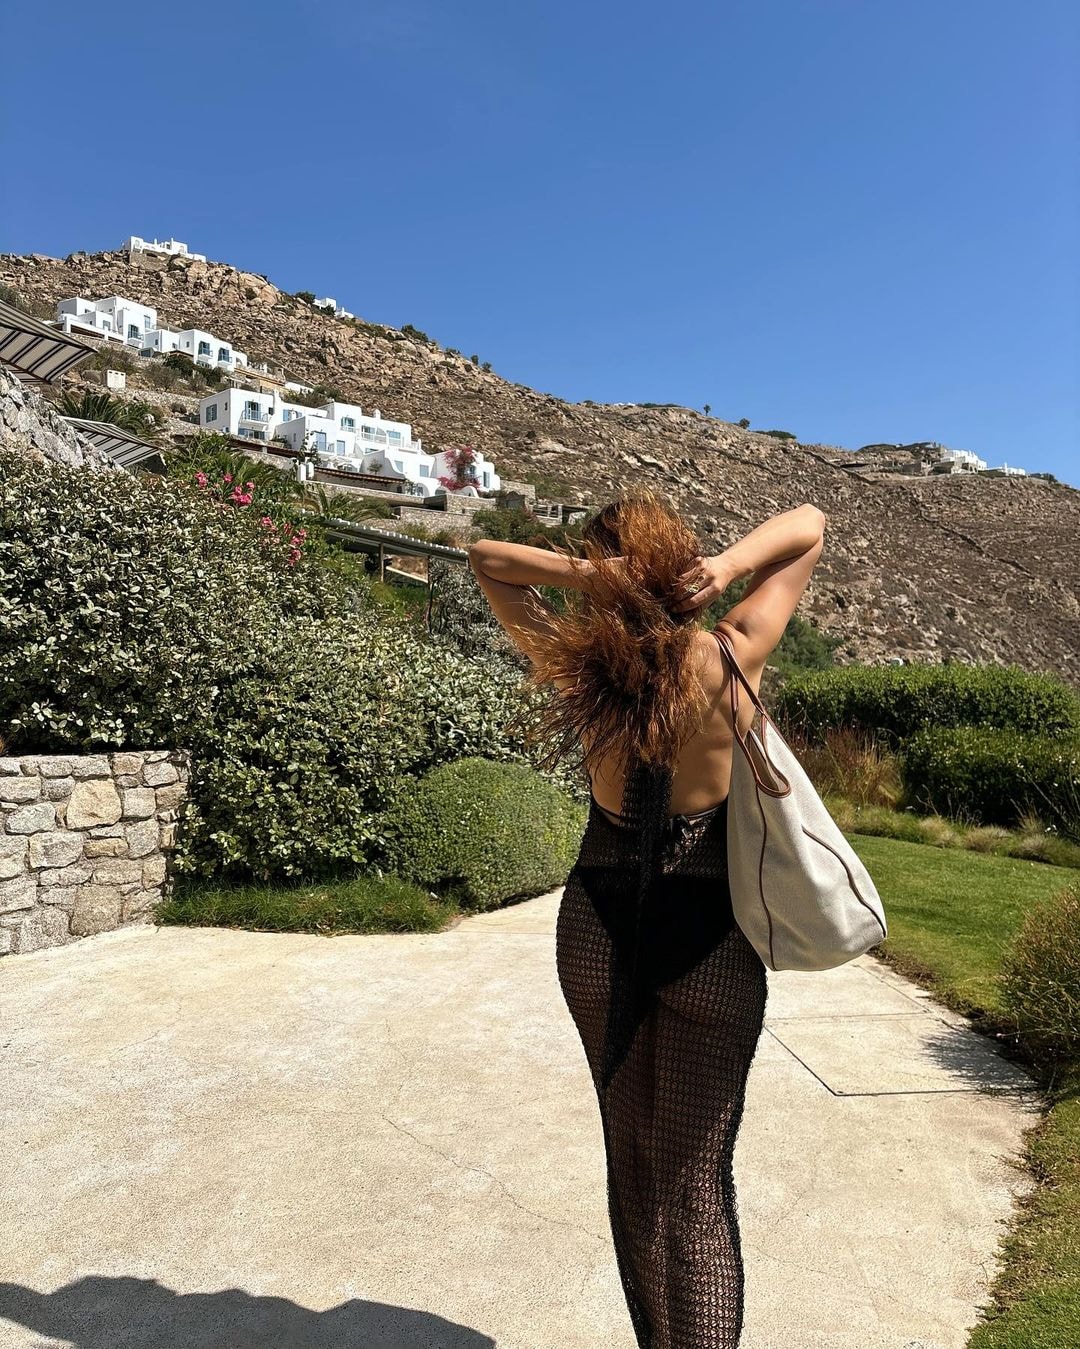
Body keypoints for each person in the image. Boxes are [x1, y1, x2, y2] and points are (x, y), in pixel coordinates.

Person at [468, 488, 827, 1348]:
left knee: (632, 1167)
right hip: (708, 937)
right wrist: (730, 566)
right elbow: (810, 525)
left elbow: (485, 559)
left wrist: (589, 578)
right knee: (696, 1189)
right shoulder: (732, 651)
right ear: (681, 562)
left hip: (599, 928)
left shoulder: (580, 668)